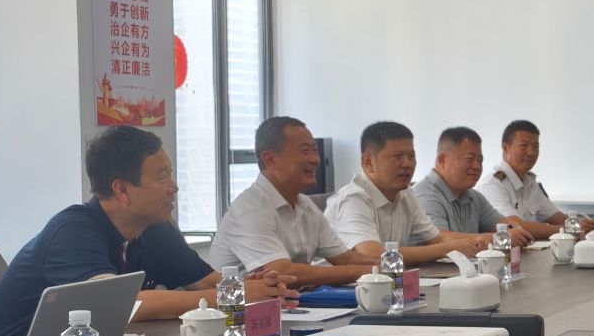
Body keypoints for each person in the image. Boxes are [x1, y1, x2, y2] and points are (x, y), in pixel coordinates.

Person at [0, 126, 286, 336]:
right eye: (162, 176)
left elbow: (206, 282)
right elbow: (121, 305)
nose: (174, 187)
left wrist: (257, 286)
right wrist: (232, 296)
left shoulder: (155, 228)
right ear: (122, 189)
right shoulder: (71, 232)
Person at [206, 117, 371, 288]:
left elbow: (345, 258)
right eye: (305, 151)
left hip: (291, 301)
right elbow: (284, 273)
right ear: (270, 159)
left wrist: (383, 266)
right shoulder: (250, 210)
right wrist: (365, 272)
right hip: (240, 305)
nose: (315, 159)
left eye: (315, 150)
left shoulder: (305, 205)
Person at [326, 120, 491, 263]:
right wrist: (447, 249)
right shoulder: (353, 198)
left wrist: (474, 242)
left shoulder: (405, 194)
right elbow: (374, 255)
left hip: (387, 284)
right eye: (397, 156)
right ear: (368, 162)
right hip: (333, 288)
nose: (407, 164)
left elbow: (437, 238)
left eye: (411, 156)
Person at [415, 127, 534, 243]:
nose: (477, 166)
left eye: (480, 160)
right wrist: (499, 238)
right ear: (442, 160)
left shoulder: (474, 196)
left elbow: (501, 223)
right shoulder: (426, 195)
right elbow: (438, 238)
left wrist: (515, 229)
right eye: (470, 159)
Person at [481, 120, 594, 238]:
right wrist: (571, 229)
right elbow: (515, 226)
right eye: (523, 146)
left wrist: (590, 226)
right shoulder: (493, 184)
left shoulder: (530, 182)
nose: (531, 153)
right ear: (506, 148)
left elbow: (558, 218)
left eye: (535, 147)